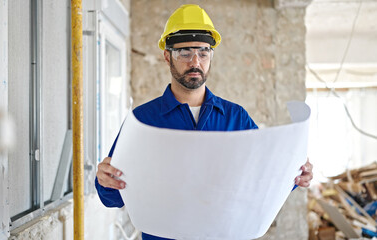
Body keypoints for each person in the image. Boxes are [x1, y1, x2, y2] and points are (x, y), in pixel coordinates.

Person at [95, 4, 313, 240]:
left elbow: (261, 180)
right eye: (184, 53)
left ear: (211, 55)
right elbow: (113, 198)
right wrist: (104, 180)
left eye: (203, 52)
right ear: (167, 56)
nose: (195, 62)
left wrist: (295, 175)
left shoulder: (236, 118)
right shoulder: (142, 121)